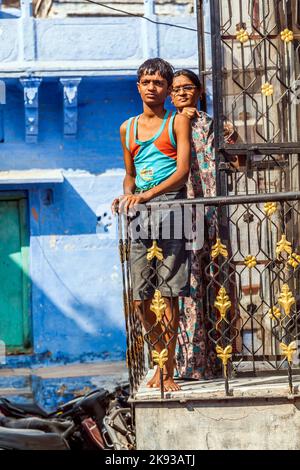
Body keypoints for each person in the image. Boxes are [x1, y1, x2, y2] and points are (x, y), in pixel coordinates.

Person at [112, 58, 191, 391]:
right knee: (140, 298)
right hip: (141, 215)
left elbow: (182, 172)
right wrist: (128, 196)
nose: (152, 88)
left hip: (171, 209)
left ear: (167, 88)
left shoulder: (176, 122)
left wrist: (147, 197)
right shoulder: (127, 128)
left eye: (159, 83)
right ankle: (159, 358)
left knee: (169, 294)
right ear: (138, 87)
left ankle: (168, 371)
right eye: (146, 82)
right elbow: (130, 176)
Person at [171, 69, 240, 380]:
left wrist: (232, 138)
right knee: (187, 289)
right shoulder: (167, 126)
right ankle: (190, 364)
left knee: (218, 285)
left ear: (199, 91)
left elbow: (240, 163)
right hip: (182, 216)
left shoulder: (212, 125)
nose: (182, 93)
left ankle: (222, 361)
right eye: (176, 89)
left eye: (188, 87)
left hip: (213, 213)